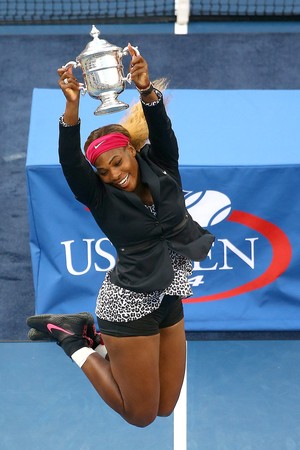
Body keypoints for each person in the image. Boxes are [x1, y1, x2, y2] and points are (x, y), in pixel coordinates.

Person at [27, 45, 214, 428]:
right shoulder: (100, 197)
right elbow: (70, 161)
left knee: (166, 406)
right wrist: (72, 107)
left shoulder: (163, 165)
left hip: (169, 294)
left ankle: (90, 339)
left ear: (131, 151)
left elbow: (160, 127)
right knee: (141, 415)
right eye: (103, 170)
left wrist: (145, 90)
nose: (114, 174)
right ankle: (73, 339)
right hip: (127, 306)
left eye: (117, 162)